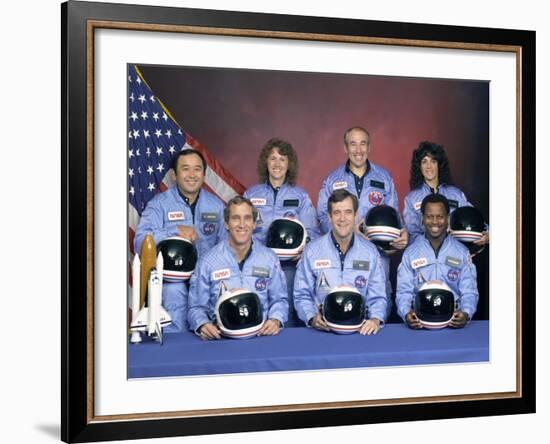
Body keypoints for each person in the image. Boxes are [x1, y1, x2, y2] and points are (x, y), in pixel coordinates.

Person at [316, 126, 408, 315]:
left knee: (379, 306)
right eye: (353, 144)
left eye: (363, 144)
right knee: (345, 306)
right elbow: (322, 216)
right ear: (345, 148)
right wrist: (348, 232)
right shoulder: (332, 180)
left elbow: (394, 215)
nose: (358, 150)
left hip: (377, 254)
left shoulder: (384, 177)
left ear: (369, 146)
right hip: (340, 253)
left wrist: (401, 234)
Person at [134, 149, 226, 332]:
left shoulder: (216, 206)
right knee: (173, 292)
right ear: (175, 175)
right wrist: (174, 230)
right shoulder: (159, 204)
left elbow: (225, 249)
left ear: (204, 174)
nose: (192, 175)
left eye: (197, 169)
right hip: (172, 281)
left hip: (206, 281)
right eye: (185, 169)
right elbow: (140, 242)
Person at [187, 196, 289, 340]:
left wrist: (275, 319)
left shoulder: (269, 259)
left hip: (261, 337)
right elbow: (195, 307)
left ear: (254, 223)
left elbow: (280, 300)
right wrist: (202, 324)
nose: (242, 224)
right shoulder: (207, 262)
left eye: (247, 218)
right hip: (222, 340)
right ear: (227, 224)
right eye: (235, 218)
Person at [244, 138, 320, 326]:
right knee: (257, 313)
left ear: (289, 165)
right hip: (257, 266)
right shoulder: (251, 195)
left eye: (282, 159)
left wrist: (303, 248)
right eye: (273, 158)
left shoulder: (300, 196)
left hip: (289, 268)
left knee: (290, 315)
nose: (277, 164)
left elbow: (313, 232)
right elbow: (241, 231)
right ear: (265, 162)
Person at [294, 189, 387, 335]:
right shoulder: (312, 251)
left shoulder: (370, 252)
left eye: (348, 212)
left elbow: (378, 297)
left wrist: (375, 319)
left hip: (360, 332)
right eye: (337, 213)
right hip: (323, 332)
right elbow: (302, 294)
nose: (342, 219)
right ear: (329, 217)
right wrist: (311, 317)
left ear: (356, 216)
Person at [396, 193, 479, 329]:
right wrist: (406, 313)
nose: (435, 222)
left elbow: (469, 290)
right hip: (420, 321)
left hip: (452, 322)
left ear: (447, 219)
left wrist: (466, 313)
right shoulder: (410, 253)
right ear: (422, 218)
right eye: (429, 216)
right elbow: (403, 291)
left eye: (440, 217)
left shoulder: (462, 252)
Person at [403, 141, 489, 246]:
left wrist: (488, 233)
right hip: (424, 255)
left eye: (433, 161)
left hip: (454, 252)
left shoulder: (455, 194)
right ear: (419, 167)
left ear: (439, 165)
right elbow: (412, 235)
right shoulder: (411, 198)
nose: (428, 166)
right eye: (424, 161)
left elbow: (473, 217)